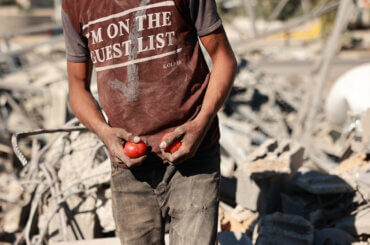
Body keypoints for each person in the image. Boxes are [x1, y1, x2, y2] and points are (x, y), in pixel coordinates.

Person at [61, 0, 237, 244]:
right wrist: (105, 133)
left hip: (194, 157)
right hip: (129, 168)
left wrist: (201, 123)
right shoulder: (76, 4)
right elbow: (77, 88)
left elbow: (224, 59)